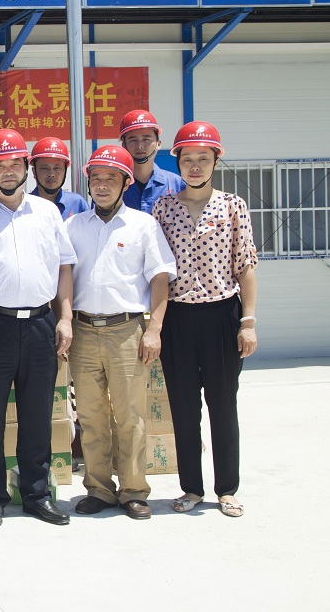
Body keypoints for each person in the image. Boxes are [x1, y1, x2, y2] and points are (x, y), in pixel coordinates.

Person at [0, 128, 76, 529]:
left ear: (26, 167)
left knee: (37, 415)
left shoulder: (47, 213)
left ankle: (37, 494)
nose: (7, 171)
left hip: (41, 323)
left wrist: (64, 317)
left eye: (14, 164)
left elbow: (64, 267)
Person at [152, 121, 258, 519]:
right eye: (187, 159)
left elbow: (245, 266)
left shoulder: (232, 206)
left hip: (221, 316)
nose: (194, 166)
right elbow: (157, 271)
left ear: (216, 161)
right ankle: (191, 488)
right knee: (183, 408)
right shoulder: (163, 208)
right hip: (178, 318)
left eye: (203, 158)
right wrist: (154, 326)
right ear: (177, 162)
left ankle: (226, 489)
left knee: (222, 404)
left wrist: (248, 321)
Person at [66, 146, 176, 521]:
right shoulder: (74, 227)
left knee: (130, 416)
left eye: (110, 178)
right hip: (83, 330)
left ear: (126, 183)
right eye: (95, 178)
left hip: (127, 330)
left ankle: (133, 490)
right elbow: (64, 278)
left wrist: (154, 329)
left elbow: (160, 278)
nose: (101, 185)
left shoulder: (143, 226)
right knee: (91, 415)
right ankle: (99, 488)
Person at [119, 109, 184, 214]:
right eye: (133, 140)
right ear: (124, 146)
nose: (140, 145)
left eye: (146, 139)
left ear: (159, 144)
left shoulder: (177, 184)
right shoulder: (114, 186)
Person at [28, 137, 90, 220]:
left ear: (65, 171)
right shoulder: (24, 206)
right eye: (44, 168)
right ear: (34, 172)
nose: (51, 174)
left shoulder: (78, 204)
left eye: (57, 168)